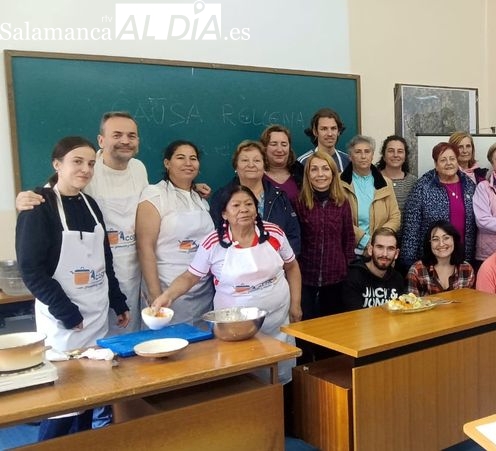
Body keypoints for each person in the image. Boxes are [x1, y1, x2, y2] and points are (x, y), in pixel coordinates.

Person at [16, 136, 130, 441]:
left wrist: (118, 301)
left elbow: (104, 260)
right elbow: (31, 270)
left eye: (91, 163)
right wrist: (66, 312)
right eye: (77, 162)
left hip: (95, 315)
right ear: (57, 164)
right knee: (62, 406)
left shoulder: (90, 205)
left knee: (88, 399)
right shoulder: (39, 206)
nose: (85, 169)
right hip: (62, 322)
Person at [151, 184, 301, 384]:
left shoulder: (273, 233)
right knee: (245, 379)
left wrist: (295, 305)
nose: (244, 210)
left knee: (281, 374)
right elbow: (190, 276)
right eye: (236, 205)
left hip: (278, 319)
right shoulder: (213, 242)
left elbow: (292, 266)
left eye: (249, 204)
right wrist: (167, 296)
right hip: (236, 328)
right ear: (224, 213)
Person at [136, 140, 214, 327]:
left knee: (203, 342)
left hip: (204, 291)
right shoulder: (154, 195)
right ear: (167, 163)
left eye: (193, 158)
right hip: (167, 290)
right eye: (180, 158)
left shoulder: (200, 200)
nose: (188, 163)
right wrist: (155, 294)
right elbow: (145, 247)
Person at [209, 139, 301, 254]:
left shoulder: (279, 197)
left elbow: (293, 235)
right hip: (234, 262)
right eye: (245, 160)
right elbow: (216, 235)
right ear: (236, 166)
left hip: (276, 262)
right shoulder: (221, 197)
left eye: (257, 160)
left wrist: (280, 260)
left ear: (264, 166)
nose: (251, 165)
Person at [293, 151, 355, 319]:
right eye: (314, 169)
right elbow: (295, 240)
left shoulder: (342, 202)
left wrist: (347, 267)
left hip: (336, 278)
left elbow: (348, 238)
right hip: (306, 277)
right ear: (307, 174)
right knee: (307, 326)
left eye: (325, 169)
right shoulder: (299, 202)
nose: (320, 174)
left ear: (333, 173)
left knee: (332, 326)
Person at [401, 142, 477, 268]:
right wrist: (408, 261)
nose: (449, 163)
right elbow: (411, 227)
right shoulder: (423, 186)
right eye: (443, 160)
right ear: (436, 164)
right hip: (432, 258)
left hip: (464, 256)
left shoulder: (469, 185)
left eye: (452, 159)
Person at [340, 135, 401, 255]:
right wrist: (365, 240)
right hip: (350, 251)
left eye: (367, 152)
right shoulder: (339, 182)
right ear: (350, 157)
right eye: (358, 152)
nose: (363, 156)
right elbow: (338, 219)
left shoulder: (386, 183)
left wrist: (379, 240)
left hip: (380, 252)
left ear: (372, 155)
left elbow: (395, 217)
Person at [342, 228, 406, 310]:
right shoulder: (354, 276)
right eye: (380, 247)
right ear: (370, 250)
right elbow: (352, 315)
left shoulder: (398, 279)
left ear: (396, 253)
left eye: (390, 248)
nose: (385, 254)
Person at [407, 221, 475, 296]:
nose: (441, 244)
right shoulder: (417, 270)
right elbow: (411, 302)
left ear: (454, 240)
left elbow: (471, 301)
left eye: (446, 238)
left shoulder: (466, 269)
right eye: (435, 239)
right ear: (429, 243)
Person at [261, 124, 304, 204]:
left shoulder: (301, 173)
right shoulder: (255, 175)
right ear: (264, 147)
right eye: (274, 144)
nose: (279, 150)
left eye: (284, 144)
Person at [377, 135, 418, 213]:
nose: (395, 155)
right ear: (384, 156)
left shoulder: (414, 182)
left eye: (400, 151)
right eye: (391, 151)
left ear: (405, 156)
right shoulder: (372, 179)